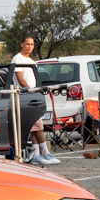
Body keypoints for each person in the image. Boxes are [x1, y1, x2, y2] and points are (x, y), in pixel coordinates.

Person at [10, 36, 59, 166]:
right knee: (39, 126)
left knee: (35, 127)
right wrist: (30, 91)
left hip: (34, 97)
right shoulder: (17, 59)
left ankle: (37, 154)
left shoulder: (32, 61)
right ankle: (46, 152)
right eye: (27, 44)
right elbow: (20, 79)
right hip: (26, 97)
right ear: (22, 44)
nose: (29, 47)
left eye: (32, 44)